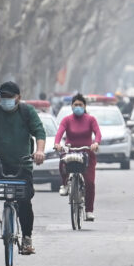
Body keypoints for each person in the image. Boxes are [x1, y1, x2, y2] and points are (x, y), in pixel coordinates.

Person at [0, 81, 46, 255]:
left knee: (25, 201)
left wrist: (39, 151)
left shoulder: (27, 111)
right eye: (3, 97)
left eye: (10, 97)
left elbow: (39, 132)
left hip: (22, 162)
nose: (6, 100)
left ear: (18, 98)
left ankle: (27, 238)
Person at [54, 93, 101, 221]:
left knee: (90, 182)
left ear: (84, 106)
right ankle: (64, 185)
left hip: (87, 153)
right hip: (71, 151)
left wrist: (96, 143)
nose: (78, 107)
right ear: (71, 106)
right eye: (75, 105)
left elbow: (97, 133)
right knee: (62, 159)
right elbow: (59, 133)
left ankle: (89, 211)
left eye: (80, 105)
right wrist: (57, 144)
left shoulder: (91, 119)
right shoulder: (66, 120)